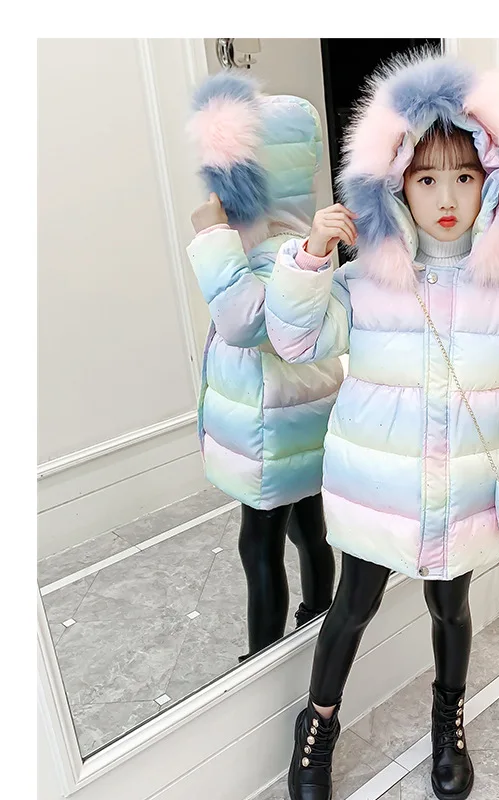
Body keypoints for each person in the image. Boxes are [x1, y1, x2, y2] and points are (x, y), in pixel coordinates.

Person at [264, 51, 499, 800]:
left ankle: (447, 716)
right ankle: (317, 724)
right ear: (395, 185)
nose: (446, 197)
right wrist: (311, 258)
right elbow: (294, 340)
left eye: (464, 176)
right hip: (377, 488)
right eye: (425, 178)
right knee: (352, 606)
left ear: (494, 181)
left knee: (450, 608)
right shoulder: (363, 282)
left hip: (463, 490)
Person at [186, 73, 342, 660]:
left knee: (260, 543)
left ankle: (264, 659)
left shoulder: (277, 248)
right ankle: (315, 615)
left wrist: (213, 237)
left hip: (270, 422)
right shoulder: (295, 241)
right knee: (307, 525)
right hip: (289, 414)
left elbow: (246, 324)